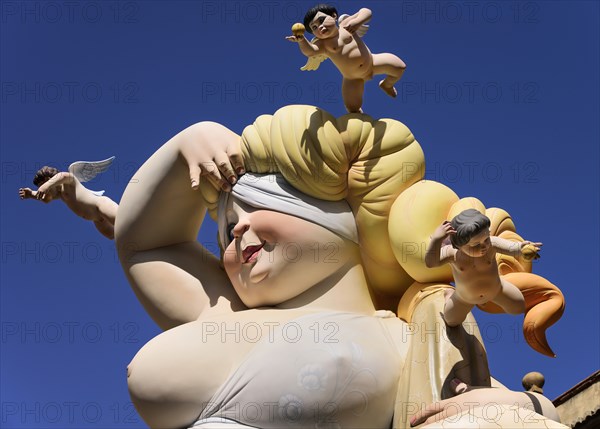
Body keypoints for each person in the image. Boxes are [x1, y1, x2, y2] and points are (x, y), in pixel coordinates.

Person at [115, 105, 565, 428]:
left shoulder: (408, 331)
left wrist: (512, 408)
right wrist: (187, 143)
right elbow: (143, 244)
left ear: (340, 223)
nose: (236, 232)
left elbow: (531, 411)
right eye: (225, 228)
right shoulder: (224, 308)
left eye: (256, 208)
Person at [425, 209, 542, 327]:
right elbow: (431, 263)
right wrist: (436, 239)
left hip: (496, 289)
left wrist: (522, 249)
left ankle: (499, 284)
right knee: (451, 321)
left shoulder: (492, 245)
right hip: (464, 297)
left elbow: (511, 248)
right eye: (475, 245)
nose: (484, 246)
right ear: (459, 245)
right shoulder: (453, 253)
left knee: (518, 307)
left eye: (486, 239)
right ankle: (449, 295)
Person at [286, 4, 406, 113]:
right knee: (352, 108)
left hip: (373, 62)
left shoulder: (345, 25)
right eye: (315, 27)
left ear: (334, 16)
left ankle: (387, 85)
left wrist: (358, 22)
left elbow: (366, 11)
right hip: (352, 78)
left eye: (322, 20)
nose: (320, 27)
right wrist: (301, 41)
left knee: (399, 68)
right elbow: (311, 51)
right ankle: (359, 123)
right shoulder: (323, 45)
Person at [19, 164, 118, 239]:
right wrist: (31, 194)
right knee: (112, 235)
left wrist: (45, 186)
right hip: (96, 219)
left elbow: (63, 176)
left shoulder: (68, 184)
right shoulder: (59, 194)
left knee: (121, 222)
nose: (45, 191)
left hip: (101, 205)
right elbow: (46, 199)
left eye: (43, 185)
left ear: (48, 179)